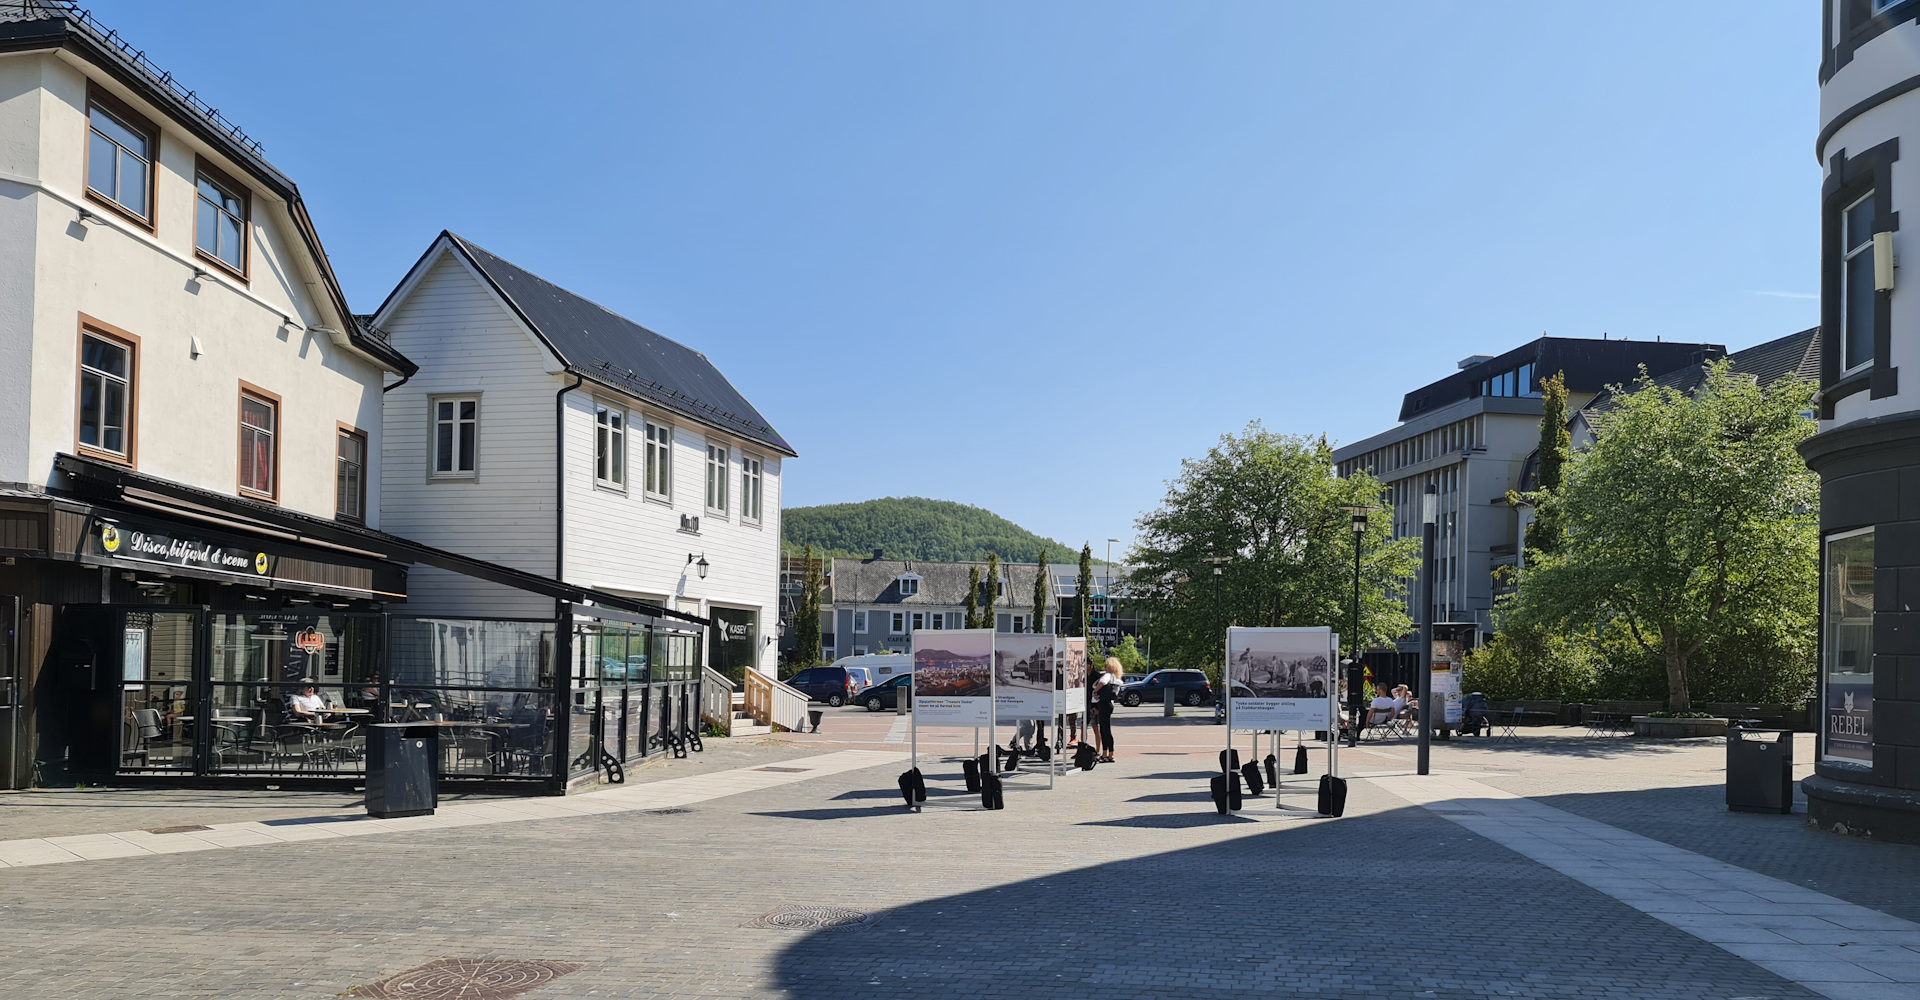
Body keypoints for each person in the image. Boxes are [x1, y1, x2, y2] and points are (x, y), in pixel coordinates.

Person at [1092, 657, 1122, 763]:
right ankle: (1109, 753)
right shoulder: (1116, 678)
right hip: (1109, 704)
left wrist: (1095, 692)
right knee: (1106, 729)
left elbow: (1103, 683)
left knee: (1104, 729)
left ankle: (1106, 754)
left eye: (1106, 665)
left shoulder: (1108, 675)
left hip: (1103, 704)